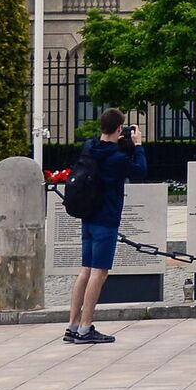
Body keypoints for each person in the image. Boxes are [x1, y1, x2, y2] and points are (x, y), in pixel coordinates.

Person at [66, 108, 146, 345]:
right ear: (120, 129)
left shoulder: (89, 147)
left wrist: (121, 144)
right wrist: (138, 145)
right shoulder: (116, 159)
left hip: (87, 215)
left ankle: (72, 325)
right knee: (100, 273)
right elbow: (140, 171)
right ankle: (85, 327)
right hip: (106, 219)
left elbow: (106, 155)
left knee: (85, 270)